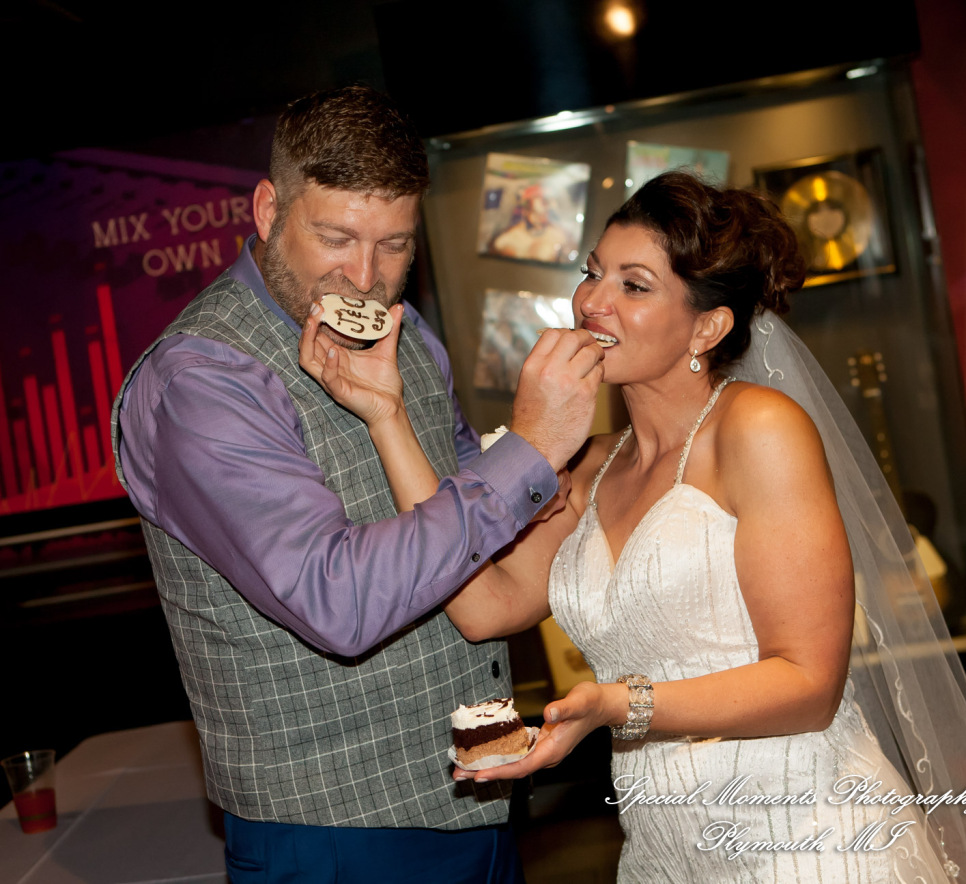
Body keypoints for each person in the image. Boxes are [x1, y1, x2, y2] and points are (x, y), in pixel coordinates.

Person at [302, 171, 966, 882]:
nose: (592, 302)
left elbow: (810, 683)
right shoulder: (585, 472)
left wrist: (616, 705)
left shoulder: (757, 429)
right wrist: (386, 415)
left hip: (808, 839)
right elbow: (482, 606)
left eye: (633, 285)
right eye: (594, 274)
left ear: (707, 325)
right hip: (665, 850)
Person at [111, 85, 605, 883]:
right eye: (336, 237)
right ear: (269, 210)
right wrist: (535, 450)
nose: (367, 278)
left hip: (476, 794)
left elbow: (463, 522)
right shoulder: (200, 381)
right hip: (333, 832)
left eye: (396, 246)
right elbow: (334, 601)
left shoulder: (411, 338)